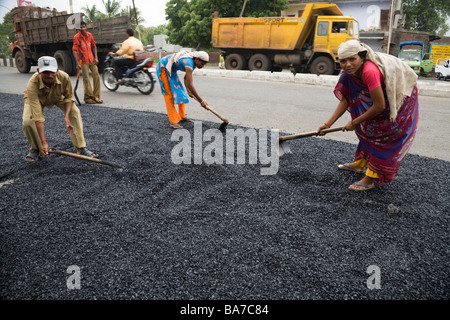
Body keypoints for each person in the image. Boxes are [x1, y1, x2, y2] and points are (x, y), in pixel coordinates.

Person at [317, 40, 419, 191]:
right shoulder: (348, 74)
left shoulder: (369, 71)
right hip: (381, 95)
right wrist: (327, 124)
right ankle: (360, 164)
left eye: (352, 59)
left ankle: (370, 178)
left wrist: (355, 122)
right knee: (369, 128)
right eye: (343, 61)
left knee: (382, 135)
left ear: (362, 57)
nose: (348, 64)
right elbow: (346, 99)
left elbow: (379, 106)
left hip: (400, 96)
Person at [22, 56, 98, 162]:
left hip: (57, 96)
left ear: (57, 70)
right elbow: (38, 117)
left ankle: (81, 147)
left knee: (74, 112)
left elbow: (69, 98)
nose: (49, 75)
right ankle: (37, 149)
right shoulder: (32, 84)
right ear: (39, 71)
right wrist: (44, 142)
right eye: (45, 72)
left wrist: (66, 117)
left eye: (52, 72)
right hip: (37, 99)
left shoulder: (64, 77)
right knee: (28, 122)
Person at [156, 51, 210, 129]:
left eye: (204, 65)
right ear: (197, 59)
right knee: (169, 95)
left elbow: (186, 78)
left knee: (180, 91)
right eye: (202, 64)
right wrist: (201, 101)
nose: (202, 66)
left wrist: (188, 91)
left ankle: (182, 116)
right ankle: (173, 121)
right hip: (163, 67)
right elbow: (190, 84)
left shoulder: (194, 64)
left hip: (171, 69)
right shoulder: (188, 63)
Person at [72, 20, 102, 104]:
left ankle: (96, 97)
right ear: (78, 29)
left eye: (83, 27)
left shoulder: (90, 35)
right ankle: (88, 98)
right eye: (80, 27)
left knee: (96, 76)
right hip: (83, 60)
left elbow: (94, 46)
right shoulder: (76, 37)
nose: (82, 29)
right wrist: (77, 63)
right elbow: (74, 51)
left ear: (86, 27)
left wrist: (96, 57)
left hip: (91, 59)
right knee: (86, 79)